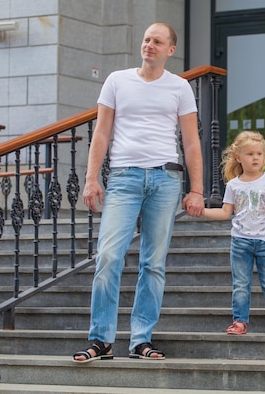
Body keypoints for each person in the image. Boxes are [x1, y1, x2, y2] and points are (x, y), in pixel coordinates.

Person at [72, 23, 205, 362]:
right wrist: (91, 178)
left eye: (157, 41)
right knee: (108, 257)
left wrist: (197, 189)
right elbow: (101, 134)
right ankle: (101, 339)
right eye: (146, 39)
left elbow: (191, 142)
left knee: (153, 264)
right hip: (123, 178)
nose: (149, 45)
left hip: (165, 180)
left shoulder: (180, 87)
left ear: (170, 50)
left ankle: (140, 340)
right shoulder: (117, 80)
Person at [200, 131, 265, 336]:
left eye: (259, 154)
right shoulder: (233, 185)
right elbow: (225, 212)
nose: (256, 158)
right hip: (240, 241)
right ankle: (240, 322)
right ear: (239, 157)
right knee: (241, 284)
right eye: (250, 154)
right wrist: (202, 210)